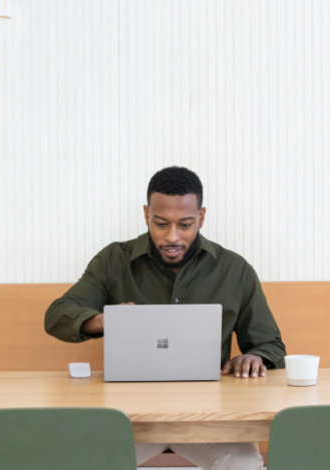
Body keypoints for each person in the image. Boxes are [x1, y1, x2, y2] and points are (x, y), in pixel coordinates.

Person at [44, 166, 286, 470]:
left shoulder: (234, 270)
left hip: (209, 418)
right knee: (83, 462)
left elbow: (272, 345)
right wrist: (106, 320)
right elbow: (57, 314)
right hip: (128, 417)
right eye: (161, 224)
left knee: (245, 463)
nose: (173, 237)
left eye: (185, 224)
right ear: (146, 215)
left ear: (202, 216)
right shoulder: (113, 260)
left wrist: (254, 357)